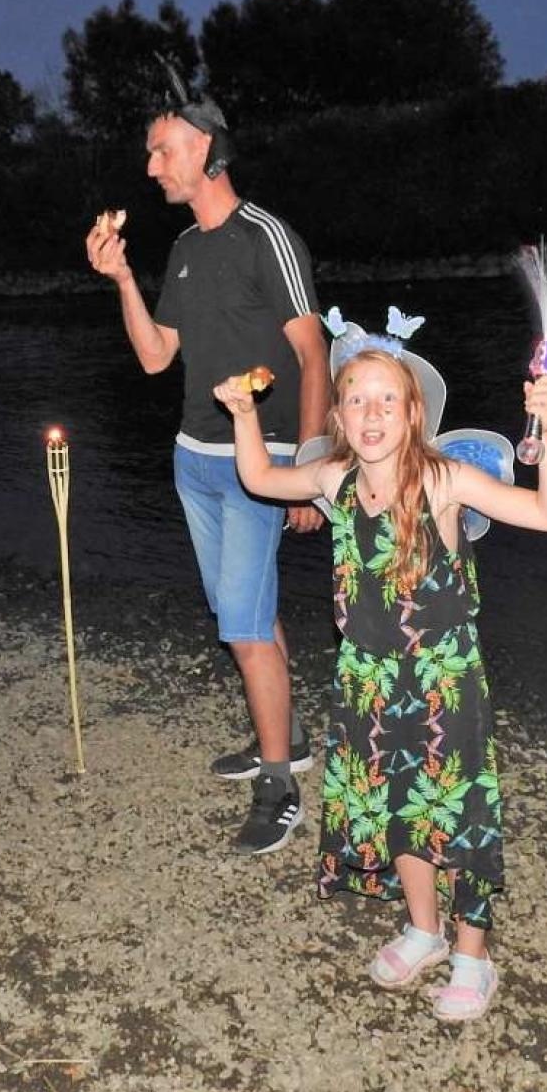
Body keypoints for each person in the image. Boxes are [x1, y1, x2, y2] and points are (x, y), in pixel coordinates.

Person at [214, 339, 547, 1021]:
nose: (371, 413)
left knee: (455, 813)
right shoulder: (333, 480)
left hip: (444, 676)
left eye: (386, 400)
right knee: (396, 806)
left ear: (412, 414)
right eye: (356, 401)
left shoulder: (442, 480)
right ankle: (424, 929)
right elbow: (260, 476)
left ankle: (473, 954)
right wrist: (241, 412)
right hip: (367, 676)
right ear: (339, 421)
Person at [84, 79, 330, 856]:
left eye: (162, 149)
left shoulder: (267, 236)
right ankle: (282, 739)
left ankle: (279, 783)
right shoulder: (185, 250)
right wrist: (123, 278)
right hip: (195, 458)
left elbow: (312, 355)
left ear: (204, 147)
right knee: (244, 611)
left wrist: (314, 461)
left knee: (246, 627)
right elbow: (157, 358)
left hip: (262, 460)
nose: (151, 165)